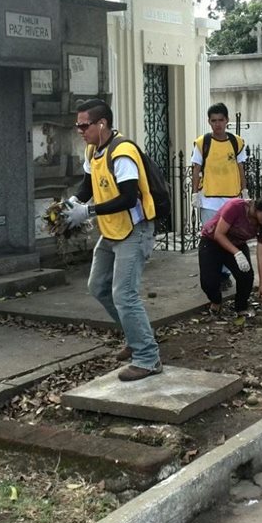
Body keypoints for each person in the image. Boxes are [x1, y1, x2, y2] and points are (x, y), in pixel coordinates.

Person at [61, 99, 162, 381]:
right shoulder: (94, 150)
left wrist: (88, 211)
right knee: (97, 286)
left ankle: (148, 358)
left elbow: (129, 197)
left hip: (134, 230)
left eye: (84, 125)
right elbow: (88, 186)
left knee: (124, 294)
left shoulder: (123, 152)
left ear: (101, 124)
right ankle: (135, 335)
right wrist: (70, 206)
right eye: (77, 125)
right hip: (111, 230)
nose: (79, 130)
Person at [191, 103, 249, 288]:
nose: (217, 124)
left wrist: (244, 190)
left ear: (227, 121)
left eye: (221, 120)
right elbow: (196, 169)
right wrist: (195, 194)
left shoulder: (236, 142)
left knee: (228, 238)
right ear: (209, 122)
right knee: (211, 238)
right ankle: (212, 275)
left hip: (231, 199)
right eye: (213, 121)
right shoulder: (202, 143)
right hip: (209, 199)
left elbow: (241, 168)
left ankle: (224, 274)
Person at [198, 194, 262, 316]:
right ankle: (216, 301)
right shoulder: (235, 207)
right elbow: (219, 234)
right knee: (209, 282)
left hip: (237, 244)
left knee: (246, 276)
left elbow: (261, 253)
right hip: (212, 241)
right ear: (260, 208)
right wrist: (237, 253)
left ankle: (241, 307)